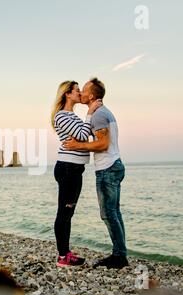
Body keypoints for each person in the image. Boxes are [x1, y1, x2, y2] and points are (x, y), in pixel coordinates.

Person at [64, 78, 128, 269]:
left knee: (108, 213)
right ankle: (121, 254)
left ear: (91, 95)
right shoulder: (103, 112)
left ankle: (119, 257)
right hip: (113, 165)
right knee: (114, 212)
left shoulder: (99, 114)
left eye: (83, 91)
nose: (81, 93)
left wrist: (78, 145)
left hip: (108, 168)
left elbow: (103, 143)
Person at [51, 80, 102, 267]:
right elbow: (82, 135)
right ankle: (62, 256)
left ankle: (66, 253)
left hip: (75, 168)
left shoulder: (72, 116)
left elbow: (82, 134)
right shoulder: (61, 116)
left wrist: (86, 120)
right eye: (77, 90)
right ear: (67, 94)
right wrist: (90, 113)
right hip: (67, 168)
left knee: (68, 212)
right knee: (64, 212)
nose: (80, 93)